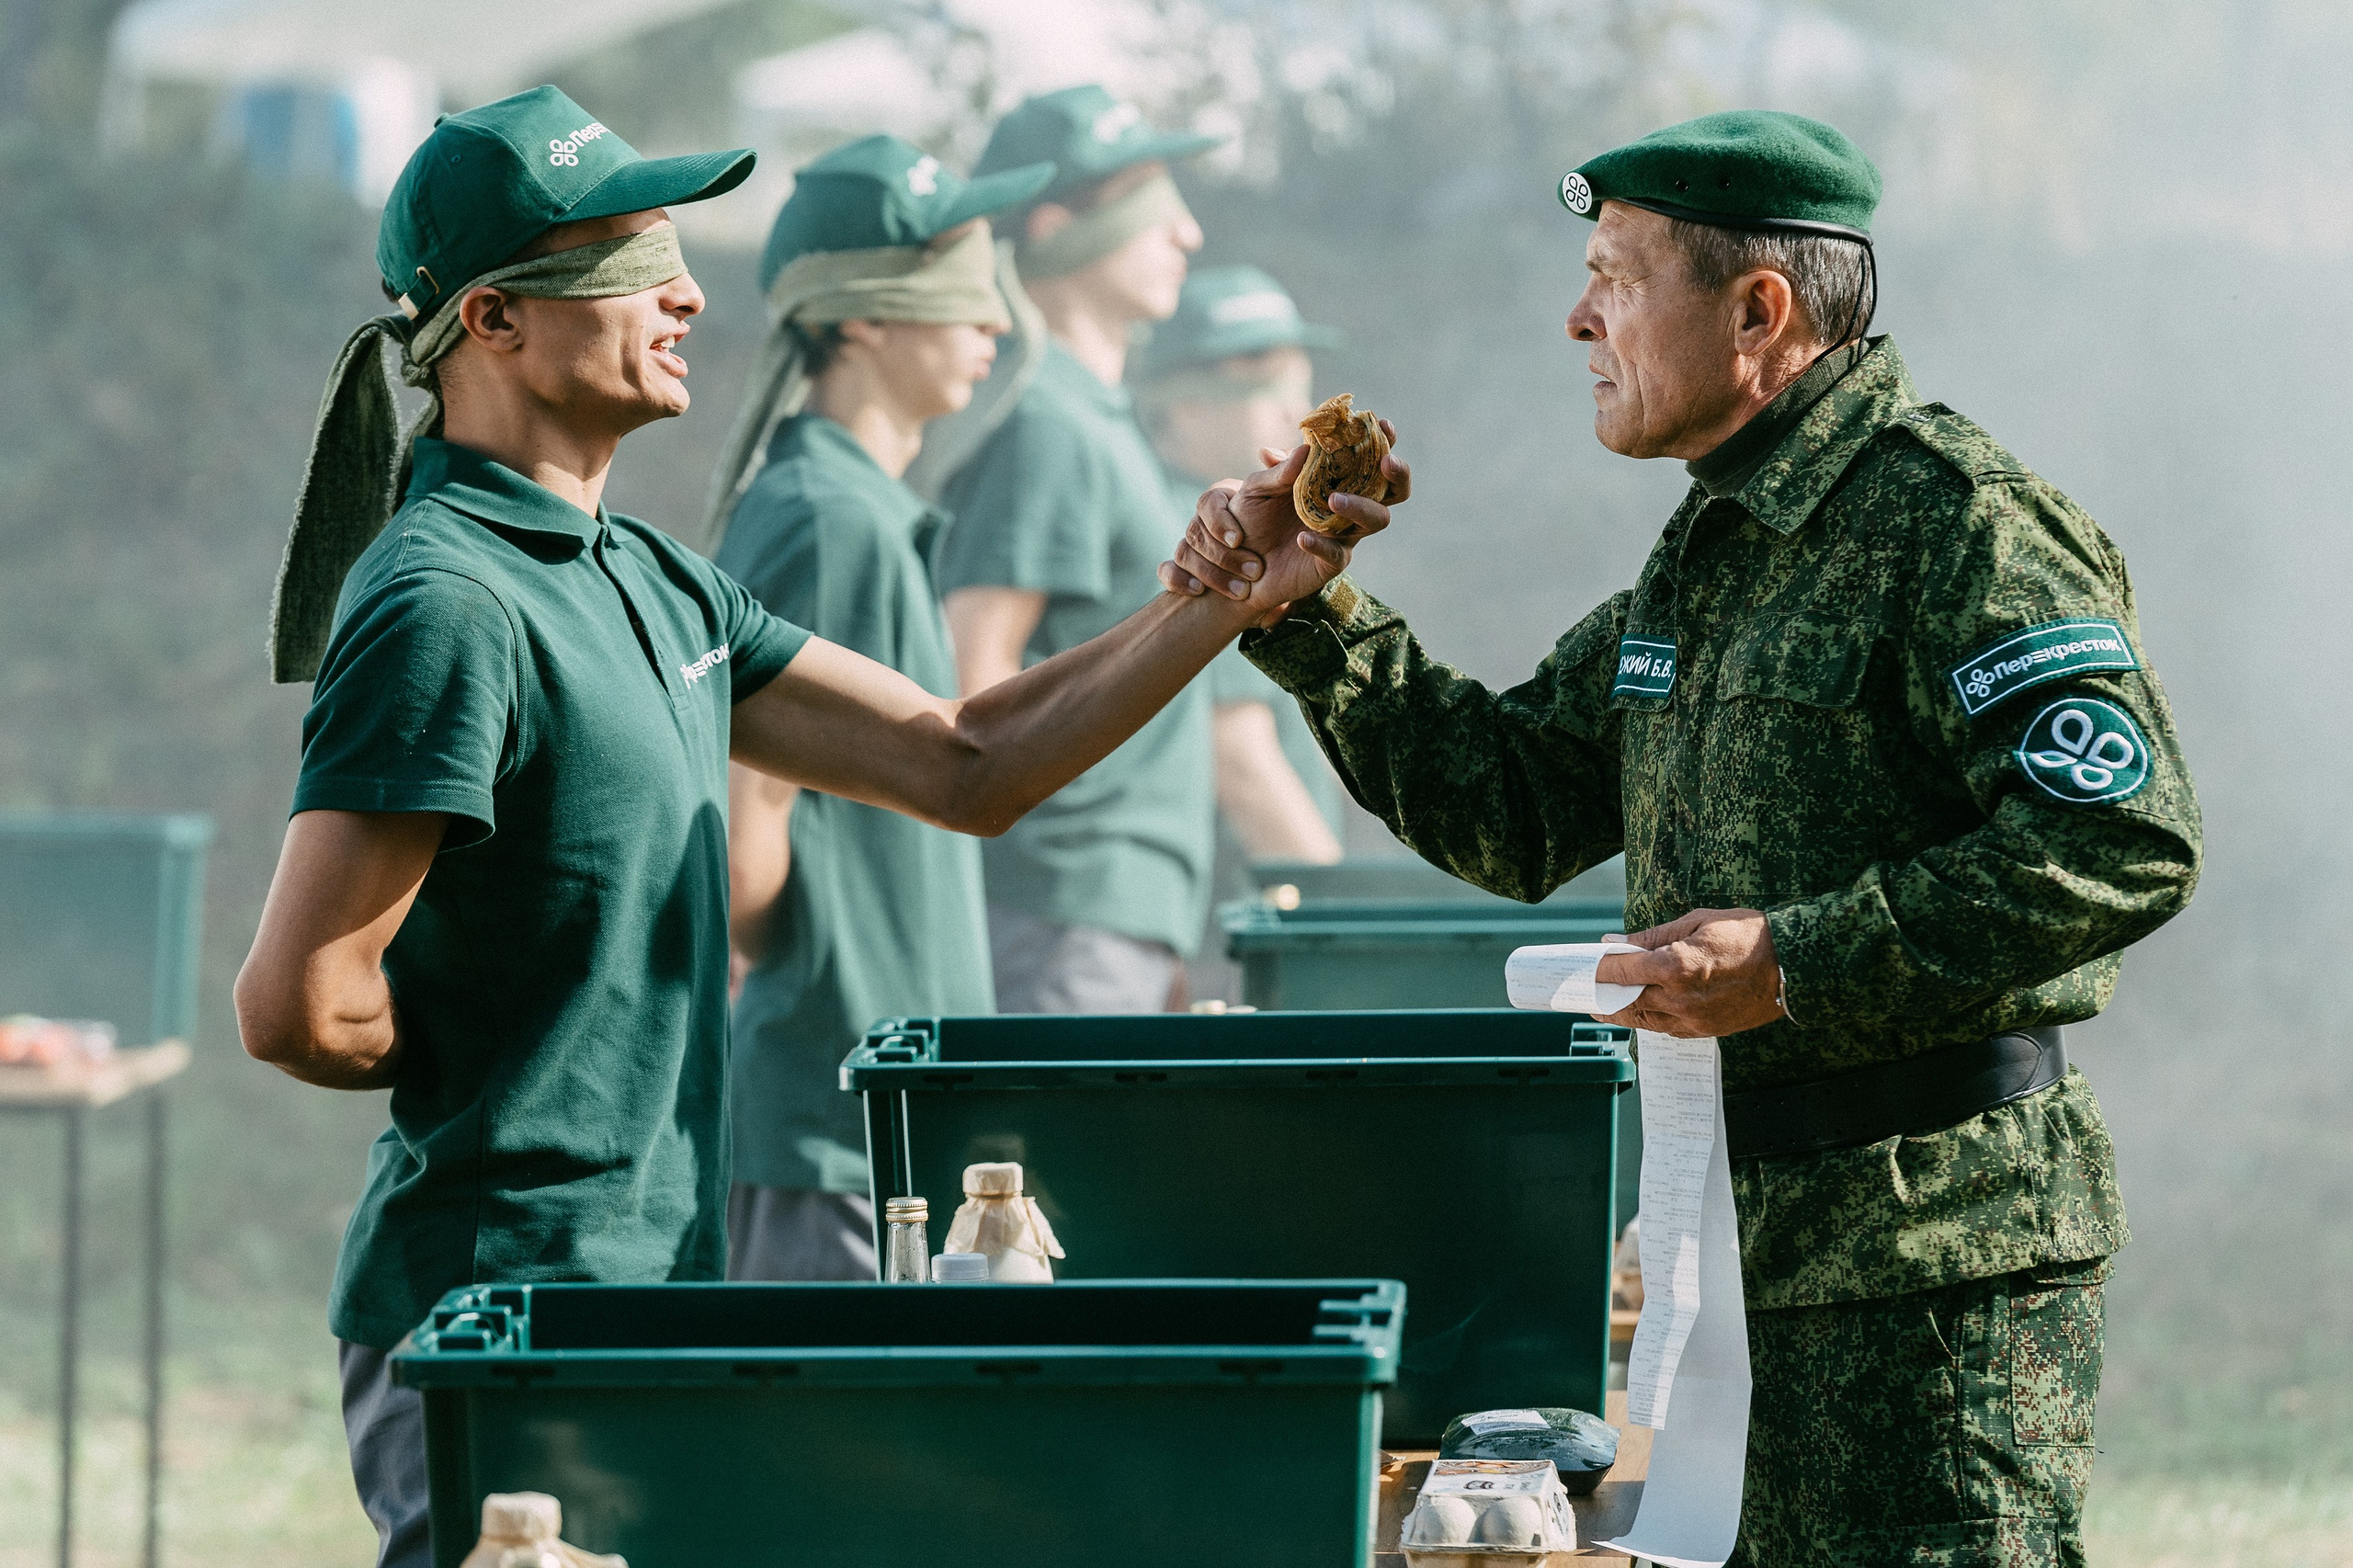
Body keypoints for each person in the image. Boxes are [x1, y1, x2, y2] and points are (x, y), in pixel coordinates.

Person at [233, 87, 1405, 1568]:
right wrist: (526, 1052)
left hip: (657, 1285)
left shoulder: (655, 583)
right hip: (500, 1310)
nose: (687, 290)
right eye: (623, 257)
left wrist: (1229, 592)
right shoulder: (442, 602)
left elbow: (967, 760)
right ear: (492, 319)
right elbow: (300, 1004)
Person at [1166, 109, 2200, 1567]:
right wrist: (1312, 614)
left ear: (1759, 310)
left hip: (1928, 1274)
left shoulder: (1962, 522)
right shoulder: (1709, 549)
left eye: (1616, 275)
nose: (1577, 314)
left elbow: (2126, 838)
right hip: (1726, 1253)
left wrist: (1794, 959)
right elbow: (1511, 803)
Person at [699, 134, 1049, 1281]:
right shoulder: (827, 519)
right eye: (955, 291)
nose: (991, 321)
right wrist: (811, 981)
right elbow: (748, 821)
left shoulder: (855, 507)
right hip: (833, 1126)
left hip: (881, 1118)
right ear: (858, 318)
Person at [932, 85, 1302, 1012]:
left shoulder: (1100, 424)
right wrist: (1082, 898)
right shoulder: (1046, 425)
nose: (1186, 234)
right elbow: (969, 687)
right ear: (1058, 226)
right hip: (1061, 911)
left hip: (1114, 916)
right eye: (1153, 207)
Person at [1134, 265, 1347, 868]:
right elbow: (1240, 761)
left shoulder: (1240, 522)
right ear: (1182, 406)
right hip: (1237, 918)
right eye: (1262, 385)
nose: (1296, 413)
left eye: (1298, 385)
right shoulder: (1198, 532)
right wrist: (1334, 924)